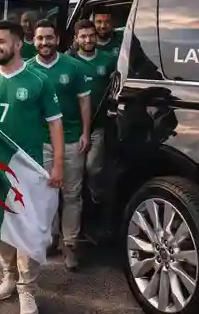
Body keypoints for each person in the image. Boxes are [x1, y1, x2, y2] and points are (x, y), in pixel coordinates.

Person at [0, 19, 65, 314]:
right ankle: (9, 277)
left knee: (28, 229)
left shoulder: (38, 80)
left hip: (29, 168)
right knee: (0, 227)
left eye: (0, 41)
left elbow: (55, 125)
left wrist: (58, 165)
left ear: (16, 44)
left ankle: (27, 289)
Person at [27, 20, 91, 271]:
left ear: (58, 39)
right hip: (41, 142)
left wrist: (86, 132)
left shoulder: (73, 66)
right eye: (40, 38)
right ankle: (49, 239)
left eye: (49, 38)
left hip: (73, 139)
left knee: (72, 195)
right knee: (45, 194)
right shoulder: (27, 69)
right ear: (34, 40)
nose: (44, 42)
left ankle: (71, 245)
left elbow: (85, 103)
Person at [73, 19, 117, 239]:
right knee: (75, 176)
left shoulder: (109, 60)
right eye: (83, 36)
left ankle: (98, 215)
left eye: (91, 35)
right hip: (73, 128)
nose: (88, 39)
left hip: (97, 126)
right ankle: (77, 225)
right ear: (76, 39)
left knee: (93, 171)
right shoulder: (68, 62)